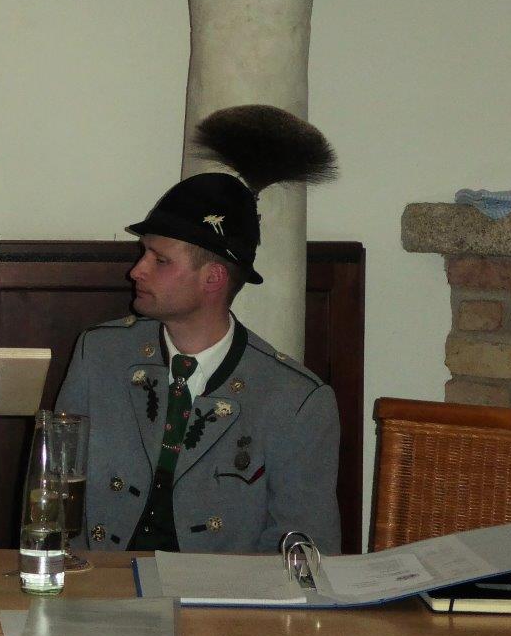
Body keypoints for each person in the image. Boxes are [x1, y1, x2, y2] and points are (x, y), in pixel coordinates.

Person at [56, 105, 342, 555]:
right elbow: (56, 496)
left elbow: (303, 552)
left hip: (222, 598)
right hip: (101, 585)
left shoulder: (295, 400)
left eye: (160, 260)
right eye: (143, 253)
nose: (136, 270)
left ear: (213, 279)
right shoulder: (101, 355)